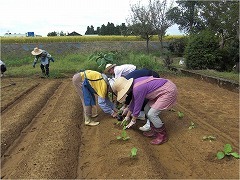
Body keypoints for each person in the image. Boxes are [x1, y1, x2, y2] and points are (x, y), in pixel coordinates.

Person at [112, 76, 177, 145]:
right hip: (162, 89)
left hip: (168, 91)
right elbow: (133, 102)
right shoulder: (135, 84)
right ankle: (154, 130)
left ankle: (162, 136)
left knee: (152, 114)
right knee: (146, 109)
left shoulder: (137, 89)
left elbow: (137, 106)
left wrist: (133, 120)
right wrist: (127, 117)